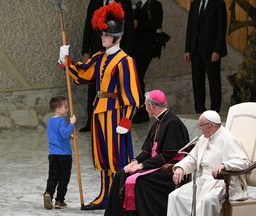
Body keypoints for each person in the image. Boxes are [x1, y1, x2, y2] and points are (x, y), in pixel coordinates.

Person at [58, 2, 140, 210]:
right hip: (99, 112)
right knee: (103, 157)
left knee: (118, 157)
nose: (102, 37)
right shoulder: (100, 57)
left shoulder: (125, 61)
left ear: (117, 37)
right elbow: (83, 74)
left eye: (106, 35)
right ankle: (105, 196)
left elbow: (131, 95)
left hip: (115, 113)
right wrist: (66, 60)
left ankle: (119, 197)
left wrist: (126, 119)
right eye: (102, 34)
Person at [104, 89, 190, 216]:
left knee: (139, 182)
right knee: (121, 175)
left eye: (146, 105)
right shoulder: (158, 122)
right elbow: (147, 151)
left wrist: (142, 166)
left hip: (167, 170)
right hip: (156, 165)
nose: (145, 108)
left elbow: (167, 156)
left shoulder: (172, 123)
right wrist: (135, 162)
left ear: (151, 106)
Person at [167, 110, 250, 216]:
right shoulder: (203, 139)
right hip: (203, 182)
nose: (199, 129)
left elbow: (244, 162)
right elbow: (192, 158)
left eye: (200, 125)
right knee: (176, 196)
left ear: (209, 126)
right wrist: (181, 168)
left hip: (222, 184)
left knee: (207, 201)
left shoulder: (228, 139)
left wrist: (224, 165)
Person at [80, 0, 134, 132]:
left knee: (116, 86)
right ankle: (91, 120)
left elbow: (129, 29)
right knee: (94, 85)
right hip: (97, 50)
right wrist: (85, 52)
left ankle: (116, 119)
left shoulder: (124, 2)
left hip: (117, 50)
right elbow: (88, 27)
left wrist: (127, 54)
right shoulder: (95, 2)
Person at [184, 0, 227, 113]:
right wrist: (187, 49)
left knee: (214, 82)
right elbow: (190, 27)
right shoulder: (194, 4)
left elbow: (221, 29)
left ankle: (214, 110)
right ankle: (199, 110)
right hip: (195, 50)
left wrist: (217, 50)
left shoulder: (218, 3)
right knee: (197, 82)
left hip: (211, 51)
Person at [131, 0, 163, 124]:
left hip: (146, 48)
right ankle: (141, 110)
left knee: (138, 76)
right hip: (136, 48)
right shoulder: (137, 6)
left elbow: (156, 23)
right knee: (136, 78)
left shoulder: (154, 4)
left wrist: (139, 24)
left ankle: (142, 111)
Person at [43, 96, 77, 210]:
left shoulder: (50, 120)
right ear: (58, 110)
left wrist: (69, 136)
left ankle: (48, 193)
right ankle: (59, 200)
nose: (67, 110)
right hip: (64, 155)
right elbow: (63, 134)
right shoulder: (62, 120)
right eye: (65, 107)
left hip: (53, 155)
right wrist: (71, 124)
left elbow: (56, 135)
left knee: (53, 177)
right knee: (64, 178)